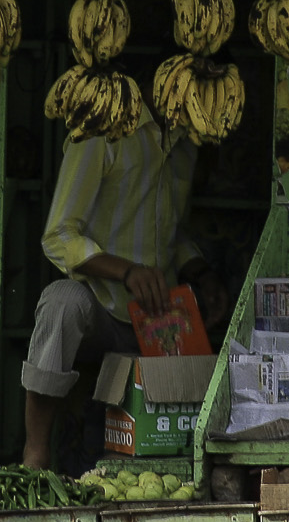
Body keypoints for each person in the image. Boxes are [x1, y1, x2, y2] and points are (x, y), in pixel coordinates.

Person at [21, 110, 228, 470]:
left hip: (155, 315)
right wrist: (126, 271)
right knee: (61, 302)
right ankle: (34, 455)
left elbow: (170, 235)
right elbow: (58, 236)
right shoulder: (103, 134)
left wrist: (202, 274)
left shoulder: (184, 146)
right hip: (101, 309)